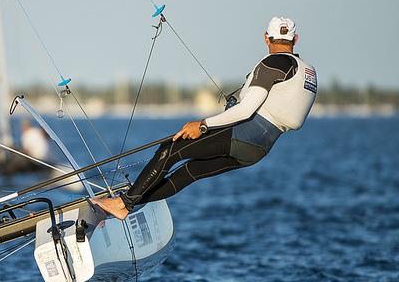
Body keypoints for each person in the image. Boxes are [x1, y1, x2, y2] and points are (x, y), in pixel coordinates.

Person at [94, 16, 317, 219]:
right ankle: (125, 206)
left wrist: (202, 125)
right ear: (295, 39)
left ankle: (123, 203)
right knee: (190, 173)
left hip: (243, 133)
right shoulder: (308, 72)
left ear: (266, 38)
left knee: (170, 150)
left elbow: (246, 110)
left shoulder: (273, 63)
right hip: (259, 150)